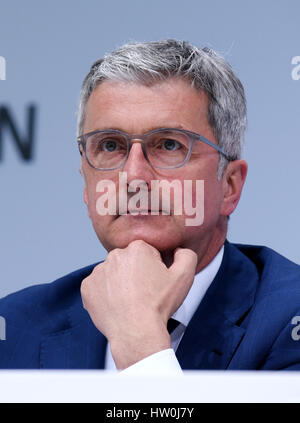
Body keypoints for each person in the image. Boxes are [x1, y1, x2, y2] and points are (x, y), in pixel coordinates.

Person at [1, 39, 300, 372]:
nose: (134, 176)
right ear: (86, 185)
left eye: (169, 145)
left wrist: (140, 340)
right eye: (111, 145)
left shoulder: (290, 321)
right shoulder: (13, 328)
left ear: (229, 186)